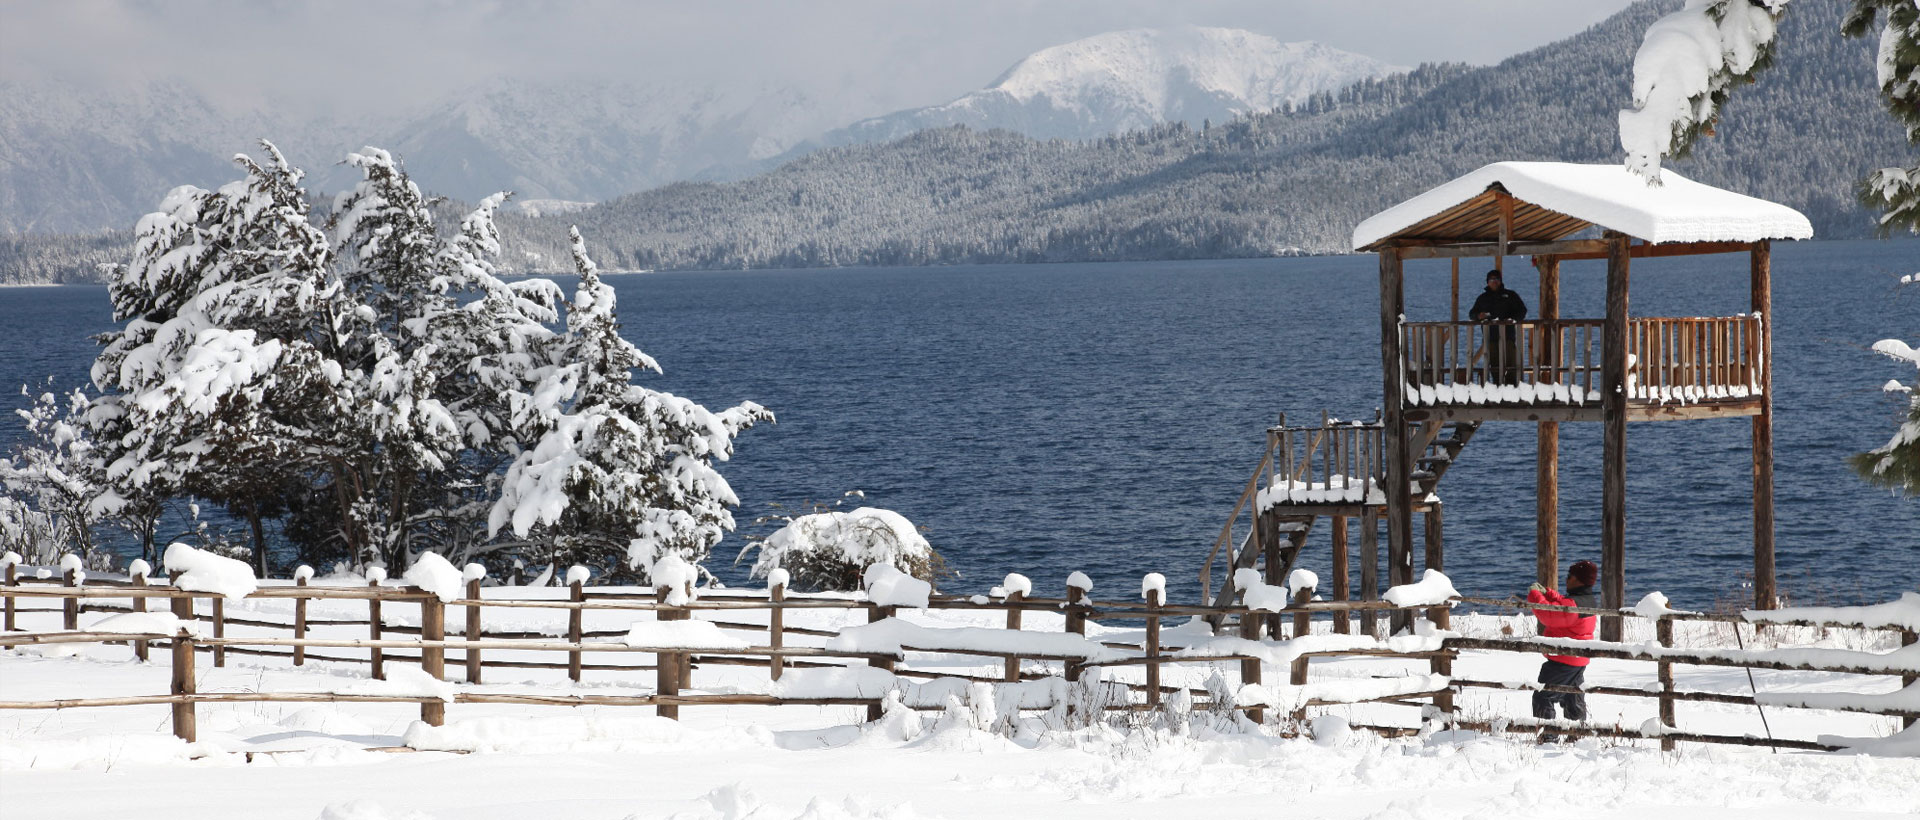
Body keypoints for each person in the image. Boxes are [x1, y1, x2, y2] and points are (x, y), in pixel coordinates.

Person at [1527, 559, 1598, 741]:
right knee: (1572, 697)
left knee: (1543, 696)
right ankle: (1577, 735)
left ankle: (1548, 738)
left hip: (1563, 659)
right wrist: (1549, 593)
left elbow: (1550, 615)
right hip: (1577, 658)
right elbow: (1563, 604)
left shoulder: (1574, 606)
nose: (1566, 580)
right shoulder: (1586, 599)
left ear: (1578, 580)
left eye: (1569, 576)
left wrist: (1536, 596)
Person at [1469, 269, 1527, 385]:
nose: (1494, 282)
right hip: (1490, 338)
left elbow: (1522, 311)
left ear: (1500, 281)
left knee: (1511, 364)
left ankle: (1512, 388)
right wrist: (1479, 316)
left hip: (1508, 337)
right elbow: (1472, 314)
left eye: (1496, 279)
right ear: (1487, 282)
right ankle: (1497, 387)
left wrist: (1513, 319)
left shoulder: (1510, 295)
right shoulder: (1482, 298)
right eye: (1491, 279)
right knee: (1494, 366)